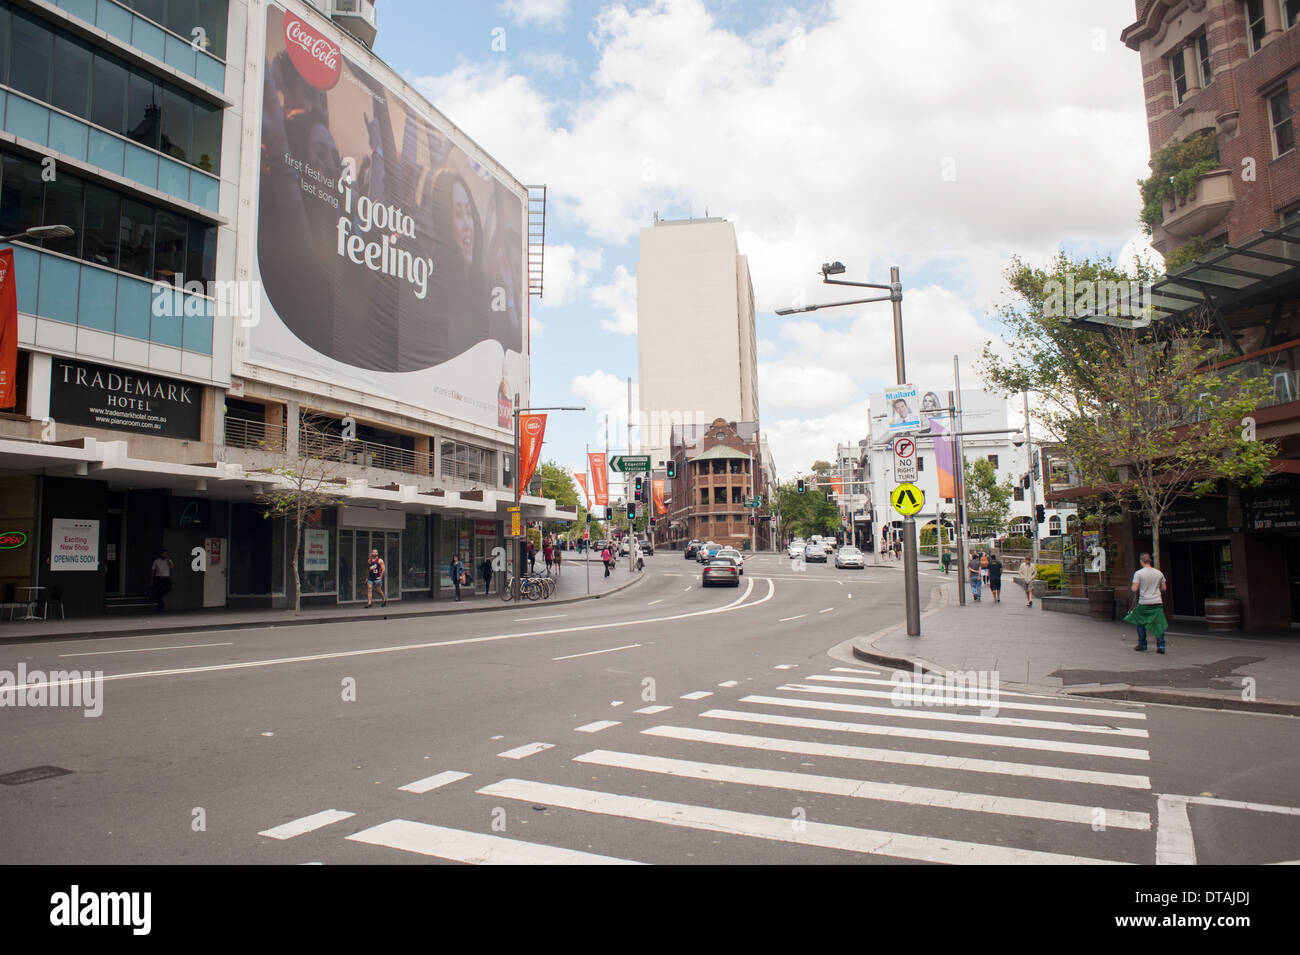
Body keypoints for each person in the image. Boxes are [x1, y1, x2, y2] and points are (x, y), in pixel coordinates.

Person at [1125, 552, 1169, 653]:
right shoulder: (1159, 573)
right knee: (1159, 624)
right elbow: (1164, 588)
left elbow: (1134, 588)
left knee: (1140, 623)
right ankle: (1161, 646)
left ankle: (1142, 644)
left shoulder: (1138, 573)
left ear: (1141, 561)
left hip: (1144, 602)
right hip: (1157, 602)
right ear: (1150, 560)